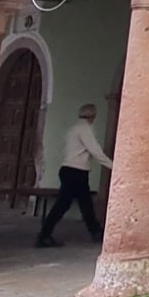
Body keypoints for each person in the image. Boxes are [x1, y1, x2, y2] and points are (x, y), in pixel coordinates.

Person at [35, 103, 114, 248]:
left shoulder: (74, 129)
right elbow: (95, 151)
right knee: (65, 205)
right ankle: (44, 235)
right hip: (76, 172)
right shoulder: (85, 129)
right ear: (93, 115)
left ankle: (96, 231)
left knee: (84, 204)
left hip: (69, 170)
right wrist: (113, 166)